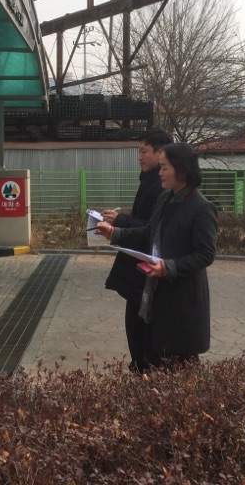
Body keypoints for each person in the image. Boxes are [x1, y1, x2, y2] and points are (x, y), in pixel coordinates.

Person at [96, 142, 218, 370]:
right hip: (156, 293)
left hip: (182, 299)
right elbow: (148, 232)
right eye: (160, 167)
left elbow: (205, 255)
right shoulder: (165, 198)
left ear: (181, 170)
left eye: (165, 168)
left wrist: (168, 267)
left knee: (180, 368)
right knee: (154, 358)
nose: (160, 173)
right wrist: (115, 233)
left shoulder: (202, 208)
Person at [101, 128, 173, 373]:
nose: (139, 157)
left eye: (144, 151)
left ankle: (144, 371)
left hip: (146, 270)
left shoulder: (162, 187)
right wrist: (119, 222)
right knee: (135, 324)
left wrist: (120, 222)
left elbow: (151, 229)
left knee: (141, 327)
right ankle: (141, 368)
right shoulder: (149, 181)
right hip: (137, 267)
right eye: (138, 151)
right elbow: (146, 223)